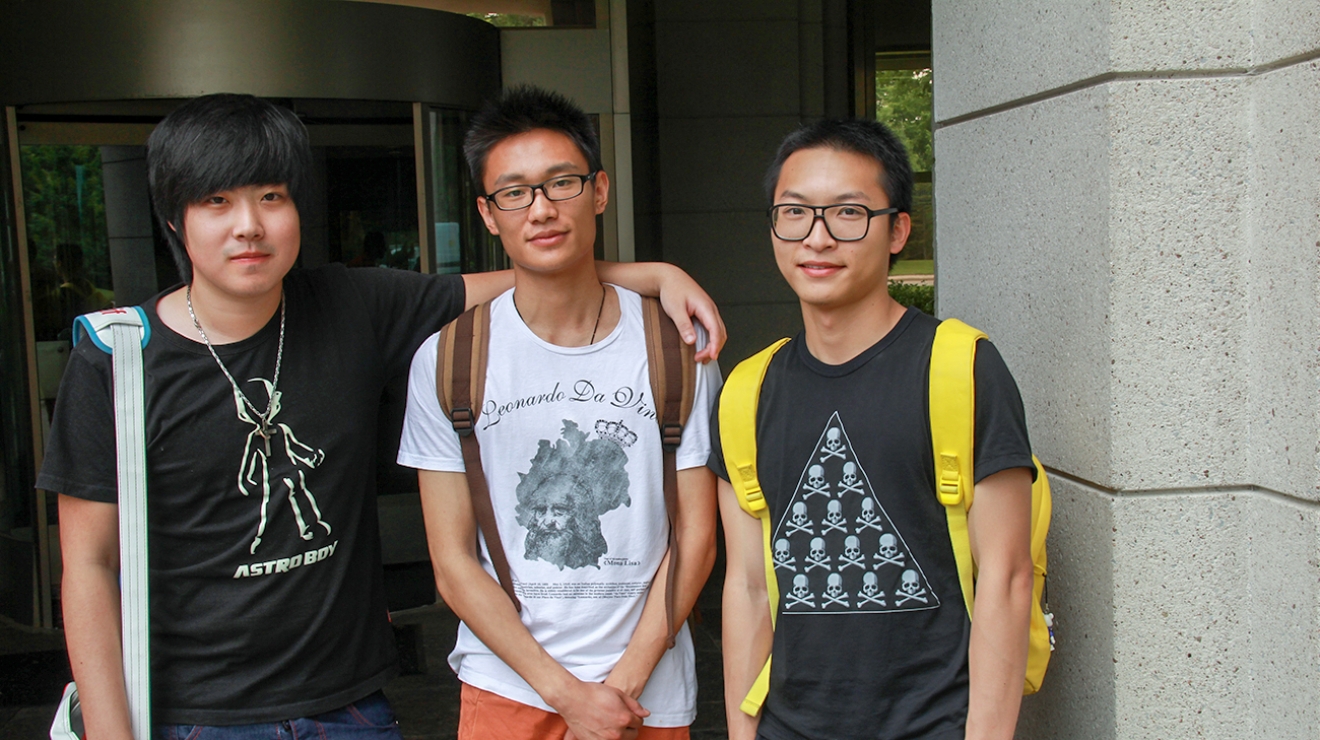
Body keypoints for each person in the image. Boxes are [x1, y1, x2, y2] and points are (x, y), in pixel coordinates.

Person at [39, 92, 725, 740]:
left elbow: (528, 277)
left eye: (271, 197)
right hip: (192, 711)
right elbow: (91, 567)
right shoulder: (118, 361)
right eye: (216, 201)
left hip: (348, 709)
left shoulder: (350, 309)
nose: (248, 225)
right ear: (174, 222)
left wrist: (656, 274)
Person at [397, 85, 720, 740]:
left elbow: (696, 538)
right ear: (489, 216)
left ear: (598, 190)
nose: (541, 209)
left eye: (561, 183)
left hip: (647, 692)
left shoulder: (674, 348)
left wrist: (618, 688)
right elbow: (453, 563)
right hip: (505, 689)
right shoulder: (450, 358)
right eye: (515, 192)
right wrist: (566, 694)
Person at [710, 118, 1036, 740]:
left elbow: (1008, 576)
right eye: (795, 213)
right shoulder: (746, 393)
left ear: (898, 231)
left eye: (849, 214)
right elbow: (748, 587)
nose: (818, 238)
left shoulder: (961, 369)